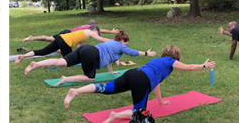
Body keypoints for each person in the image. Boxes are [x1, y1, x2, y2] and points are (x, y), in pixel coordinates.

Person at [63, 45, 217, 123]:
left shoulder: (157, 61)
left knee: (106, 88)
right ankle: (114, 115)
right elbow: (189, 68)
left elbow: (157, 83)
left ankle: (76, 91)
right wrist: (204, 66)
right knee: (140, 112)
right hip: (141, 80)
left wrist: (161, 101)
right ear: (176, 57)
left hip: (131, 73)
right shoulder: (170, 61)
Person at [24, 31, 157, 86]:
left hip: (85, 49)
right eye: (126, 41)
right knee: (90, 78)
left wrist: (111, 72)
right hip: (91, 54)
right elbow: (133, 53)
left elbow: (110, 59)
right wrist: (146, 53)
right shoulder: (121, 47)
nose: (127, 44)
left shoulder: (111, 42)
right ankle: (66, 79)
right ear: (123, 41)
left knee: (61, 62)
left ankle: (36, 64)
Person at [13, 26, 110, 65]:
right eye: (98, 32)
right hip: (65, 42)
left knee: (44, 51)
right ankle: (41, 64)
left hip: (61, 37)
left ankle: (23, 56)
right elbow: (101, 39)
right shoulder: (90, 32)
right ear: (94, 30)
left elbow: (81, 48)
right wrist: (113, 42)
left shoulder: (85, 34)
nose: (97, 34)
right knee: (66, 62)